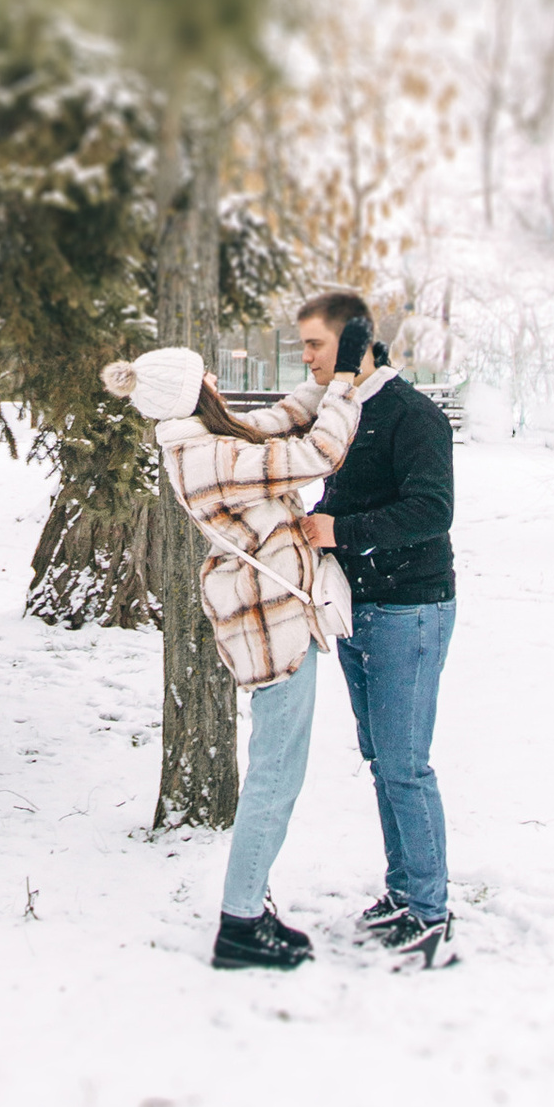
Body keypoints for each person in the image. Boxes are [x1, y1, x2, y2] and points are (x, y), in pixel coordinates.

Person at [99, 328, 379, 973]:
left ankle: (249, 905)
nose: (216, 382)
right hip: (271, 629)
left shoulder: (211, 441)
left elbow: (281, 420)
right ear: (190, 393)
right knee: (276, 775)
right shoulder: (206, 459)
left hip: (274, 618)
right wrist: (342, 387)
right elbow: (319, 452)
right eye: (206, 378)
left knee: (278, 769)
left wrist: (325, 377)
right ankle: (241, 923)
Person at [290, 287, 457, 969]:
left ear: (355, 342)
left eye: (315, 345)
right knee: (381, 759)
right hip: (360, 608)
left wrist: (341, 530)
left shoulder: (412, 416)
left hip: (410, 609)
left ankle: (430, 911)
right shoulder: (342, 412)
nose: (305, 358)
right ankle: (403, 893)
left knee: (405, 763)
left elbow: (430, 510)